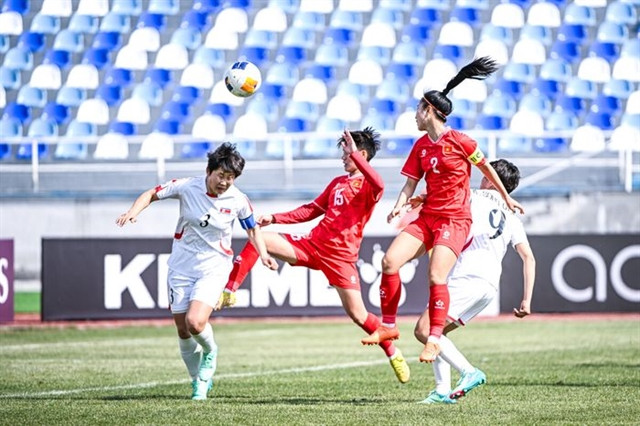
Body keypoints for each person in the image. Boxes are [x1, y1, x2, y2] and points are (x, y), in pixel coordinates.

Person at [361, 57, 525, 365]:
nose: (414, 115)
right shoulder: (420, 146)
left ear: (428, 110)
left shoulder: (461, 141)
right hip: (428, 217)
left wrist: (507, 197)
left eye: (417, 109)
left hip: (454, 220)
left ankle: (434, 339)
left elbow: (487, 169)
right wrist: (399, 205)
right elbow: (410, 184)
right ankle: (389, 326)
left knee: (437, 275)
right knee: (389, 262)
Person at [215, 128, 411, 384]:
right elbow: (311, 210)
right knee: (261, 237)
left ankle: (393, 352)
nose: (343, 157)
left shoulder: (369, 186)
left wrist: (355, 154)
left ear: (361, 154)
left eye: (347, 152)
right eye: (344, 152)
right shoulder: (337, 183)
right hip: (312, 245)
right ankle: (230, 291)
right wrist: (275, 217)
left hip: (341, 258)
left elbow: (380, 183)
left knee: (359, 316)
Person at [115, 143, 278, 401]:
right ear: (208, 171)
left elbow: (252, 229)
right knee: (182, 330)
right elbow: (152, 194)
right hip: (181, 266)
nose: (225, 182)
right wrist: (133, 212)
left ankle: (210, 353)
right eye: (221, 175)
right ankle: (197, 381)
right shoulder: (187, 186)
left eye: (231, 177)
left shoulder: (238, 199)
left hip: (214, 267)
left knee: (195, 322)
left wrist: (264, 254)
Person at [410, 159, 536, 404]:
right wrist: (526, 301)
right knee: (438, 332)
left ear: (490, 178)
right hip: (488, 286)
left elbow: (444, 195)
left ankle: (469, 372)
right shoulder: (512, 214)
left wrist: (421, 198)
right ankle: (442, 391)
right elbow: (528, 258)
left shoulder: (473, 196)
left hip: (466, 277)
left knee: (424, 330)